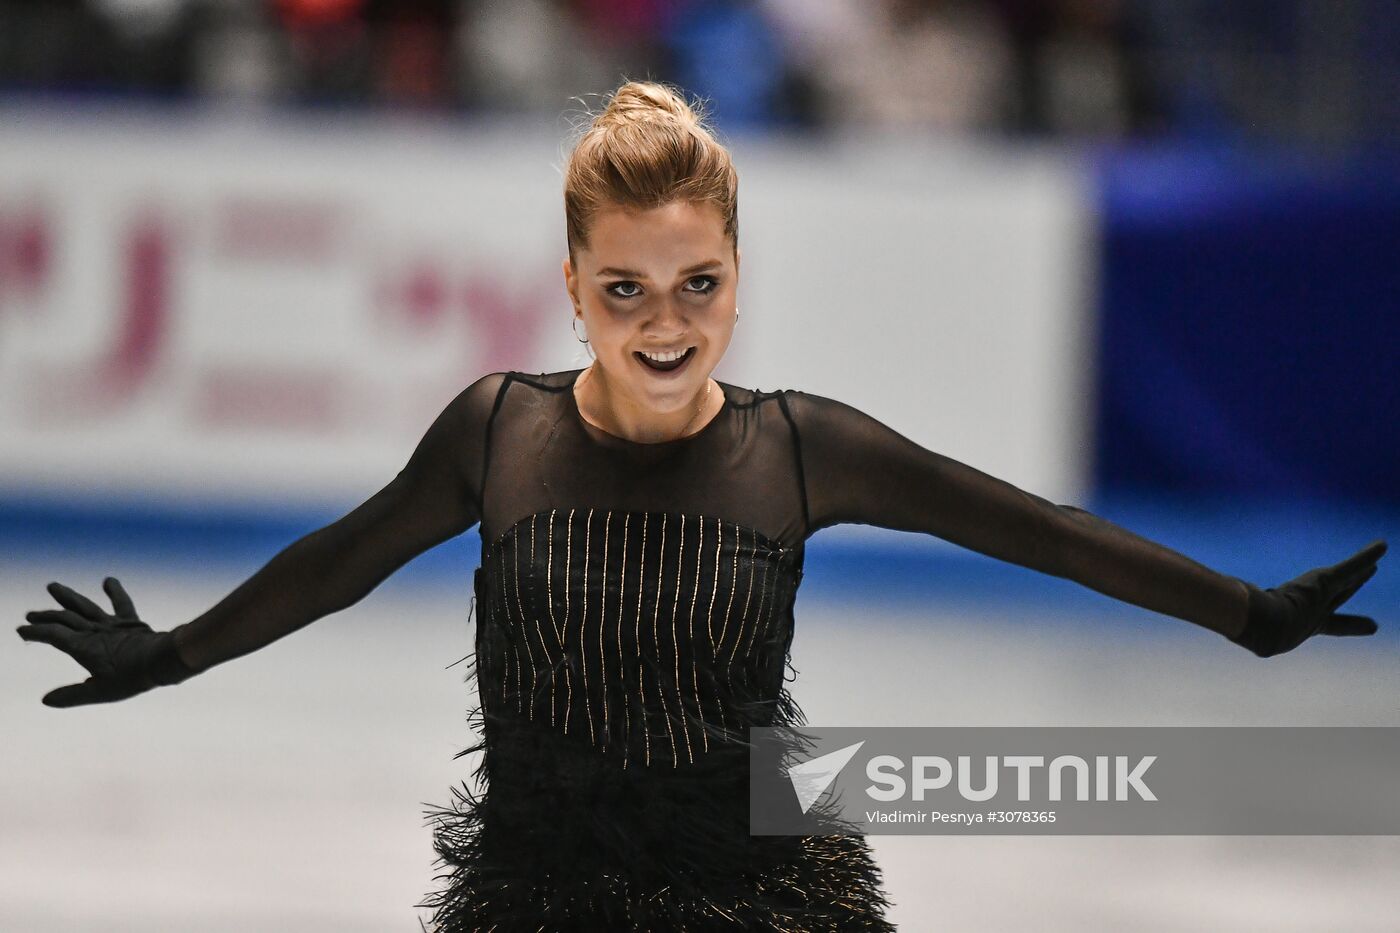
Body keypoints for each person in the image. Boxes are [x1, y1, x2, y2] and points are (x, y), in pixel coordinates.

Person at [16, 80, 1387, 931]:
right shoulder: (498, 431)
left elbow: (1039, 529)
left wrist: (1245, 611)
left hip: (758, 895)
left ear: (736, 278)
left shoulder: (800, 449)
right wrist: (173, 654)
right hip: (533, 896)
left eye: (697, 286)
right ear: (572, 288)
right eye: (624, 289)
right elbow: (346, 556)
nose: (664, 323)